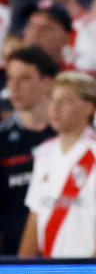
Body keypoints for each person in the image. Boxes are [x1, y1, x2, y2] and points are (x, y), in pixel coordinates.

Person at [19, 72, 96, 258]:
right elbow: (35, 217)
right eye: (52, 100)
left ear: (89, 107)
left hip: (88, 270)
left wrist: (94, 268)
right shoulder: (44, 152)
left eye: (65, 101)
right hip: (51, 268)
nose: (55, 108)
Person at [0, 47, 59, 255]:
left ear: (48, 81)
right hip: (12, 258)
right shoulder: (3, 141)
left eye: (24, 78)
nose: (13, 87)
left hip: (64, 254)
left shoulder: (67, 136)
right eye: (10, 78)